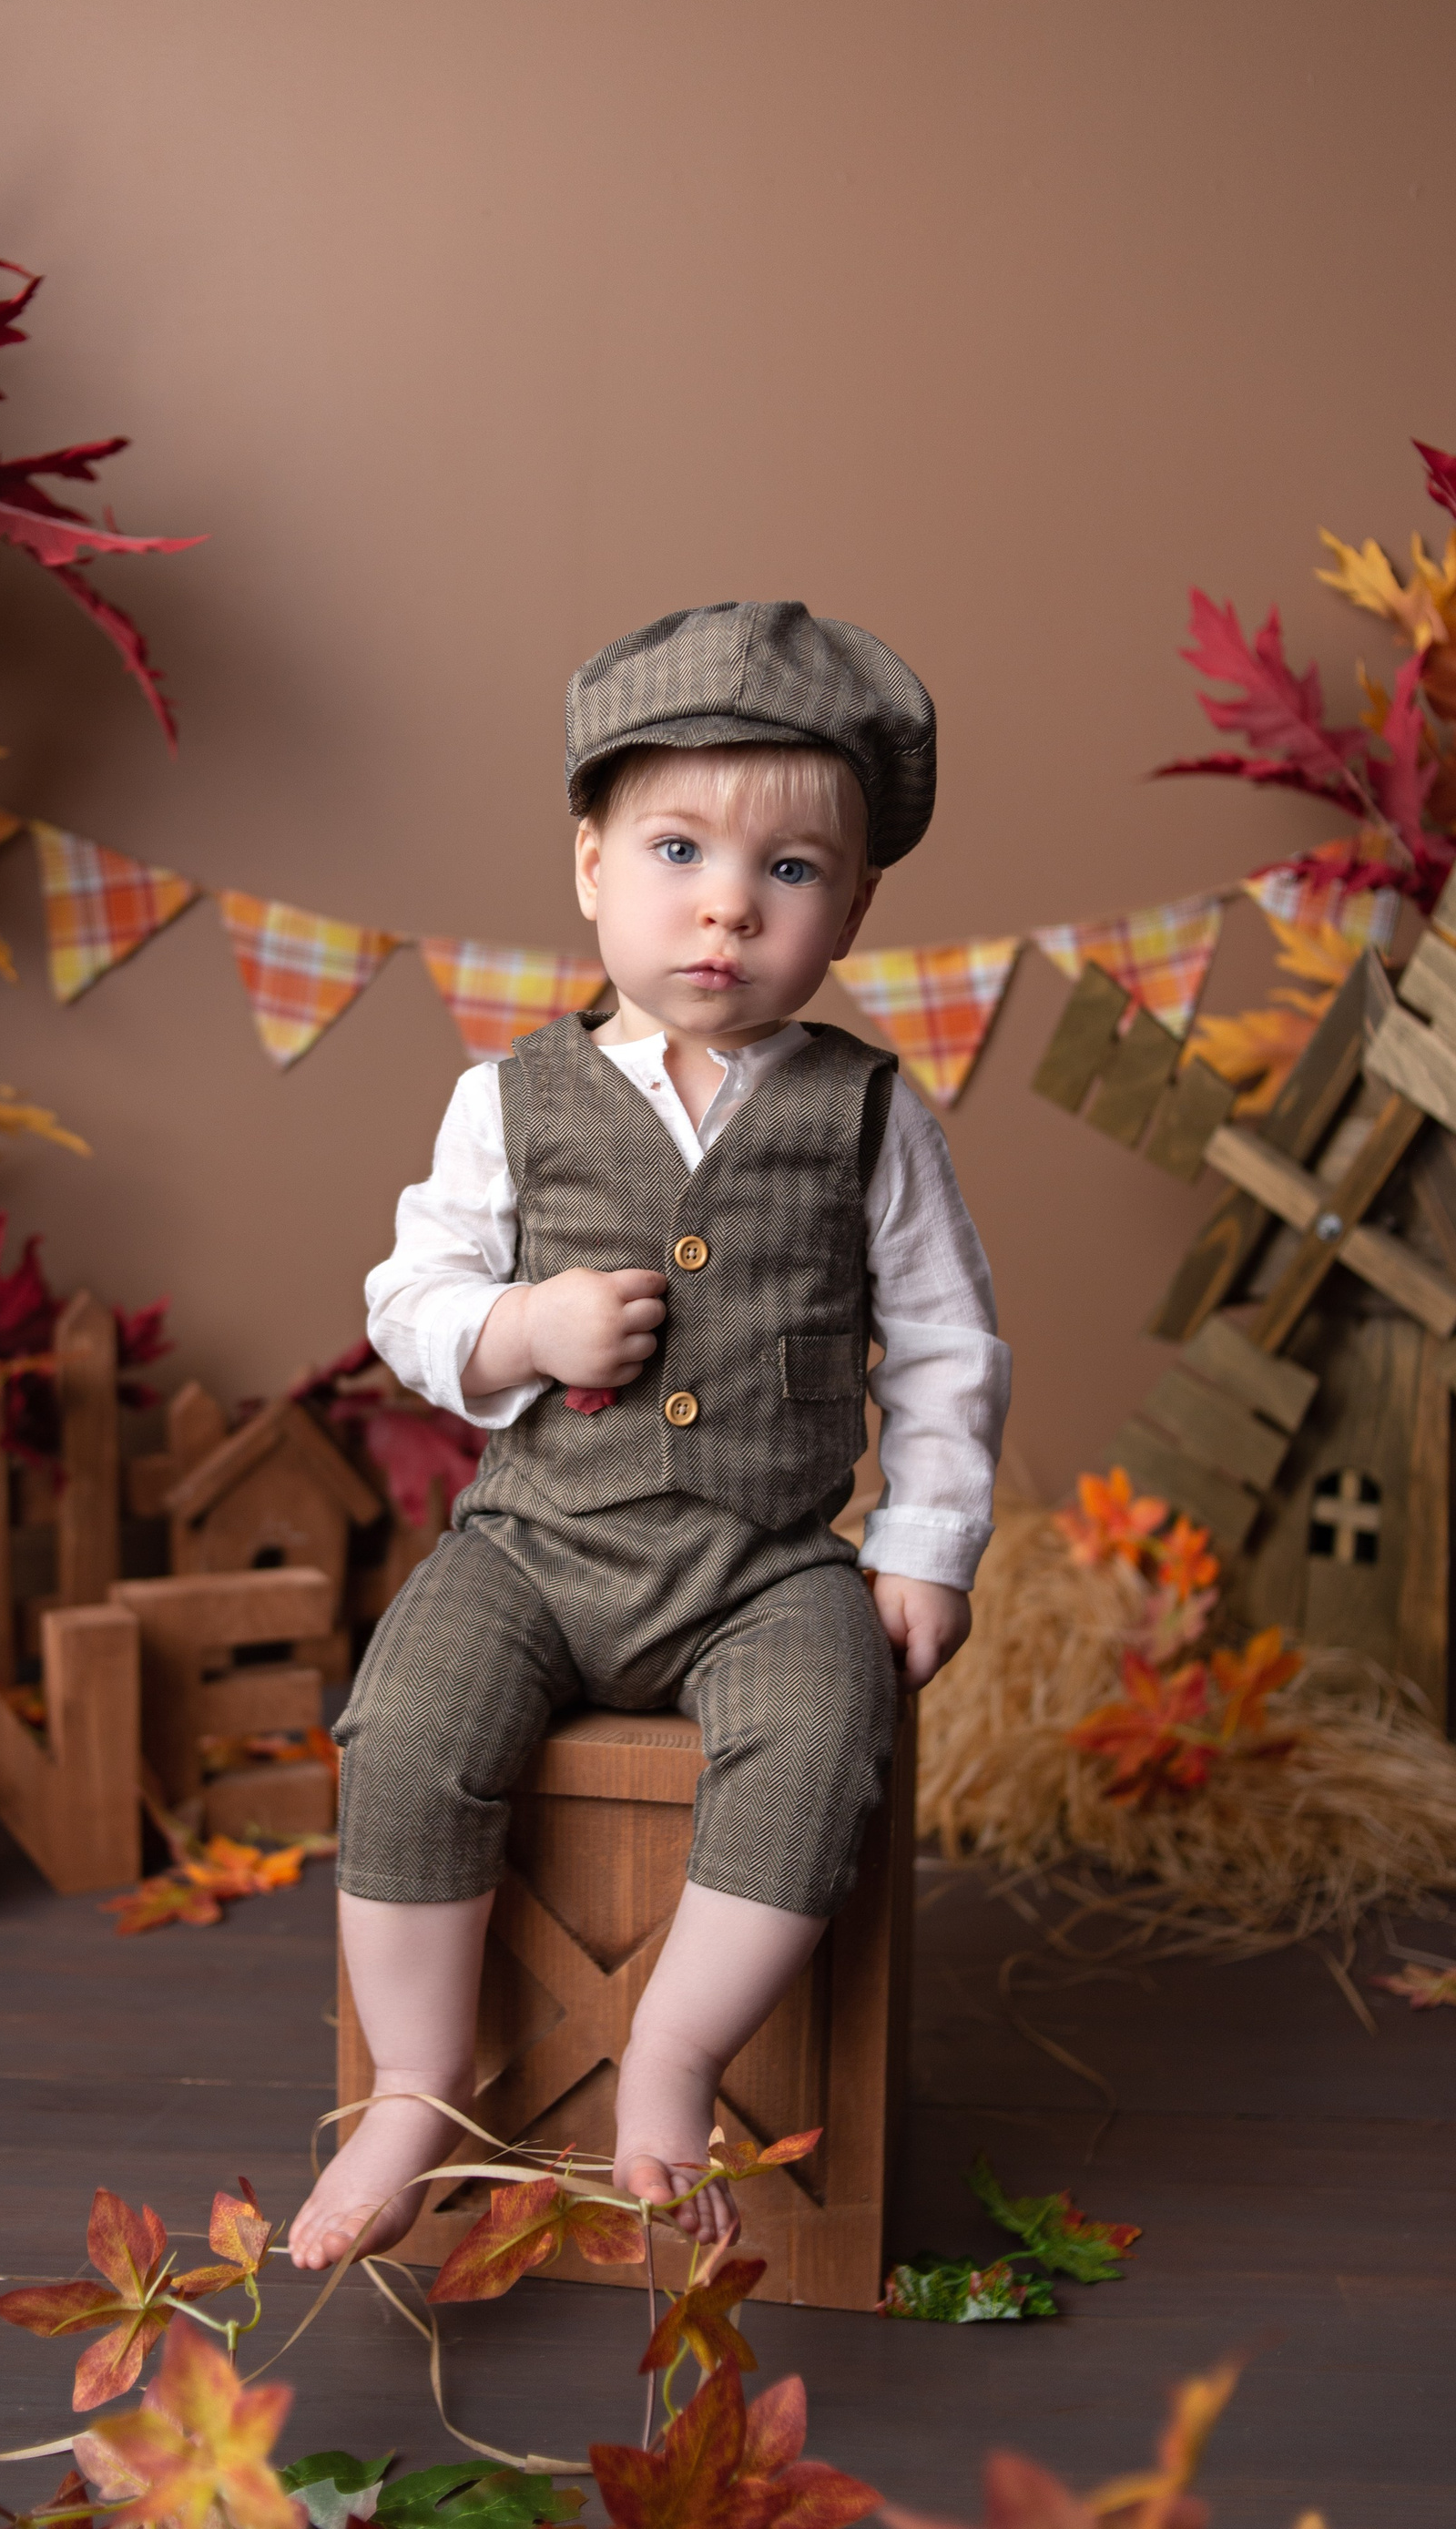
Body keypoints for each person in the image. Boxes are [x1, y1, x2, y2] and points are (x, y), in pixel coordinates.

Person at [288, 600, 1009, 2269]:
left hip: (765, 1563)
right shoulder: (509, 1099)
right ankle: (414, 2083)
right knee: (405, 1722)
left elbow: (946, 1343)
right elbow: (411, 1296)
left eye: (789, 871)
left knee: (823, 1735)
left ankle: (673, 2061)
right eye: (678, 851)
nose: (726, 906)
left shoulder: (867, 1114)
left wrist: (923, 1545)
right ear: (591, 866)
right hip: (536, 1546)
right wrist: (519, 1330)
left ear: (855, 907)